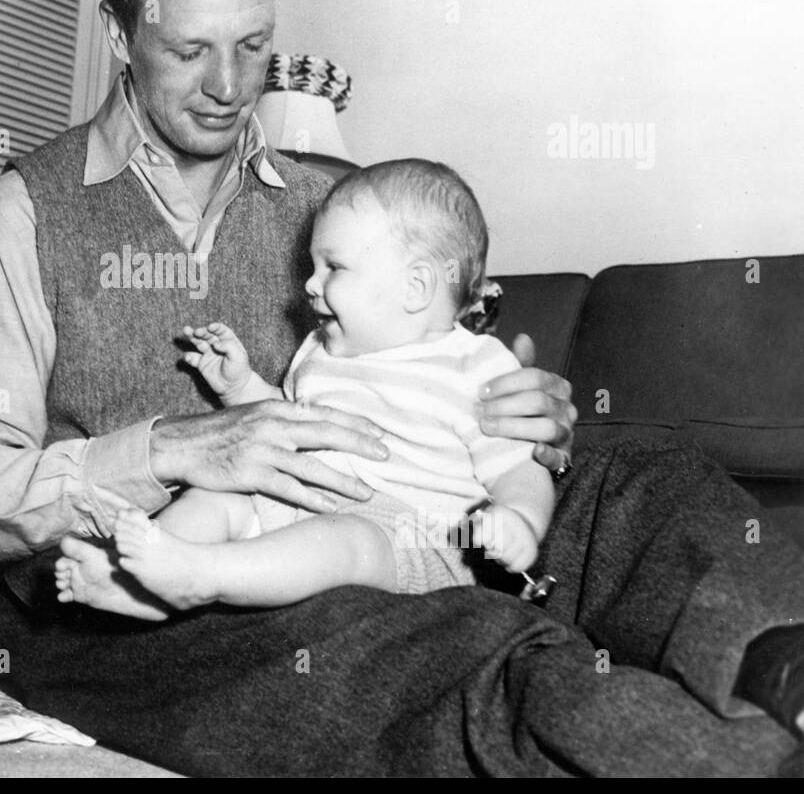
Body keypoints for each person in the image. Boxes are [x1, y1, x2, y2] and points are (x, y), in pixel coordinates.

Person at [0, 0, 804, 776]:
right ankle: (715, 775)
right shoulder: (22, 213)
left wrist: (529, 421)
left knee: (640, 470)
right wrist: (175, 449)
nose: (228, 85)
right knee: (431, 648)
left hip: (412, 515)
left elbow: (450, 364)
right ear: (119, 28)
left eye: (253, 45)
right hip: (122, 591)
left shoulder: (333, 200)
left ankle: (783, 655)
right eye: (189, 50)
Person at [54, 159, 554, 619]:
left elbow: (520, 470)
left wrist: (519, 522)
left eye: (333, 268)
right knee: (220, 495)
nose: (310, 285)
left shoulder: (475, 365)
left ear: (416, 287)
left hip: (413, 541)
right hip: (305, 500)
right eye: (313, 267)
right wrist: (240, 388)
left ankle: (203, 578)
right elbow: (287, 427)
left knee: (348, 540)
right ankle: (140, 585)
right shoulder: (318, 349)